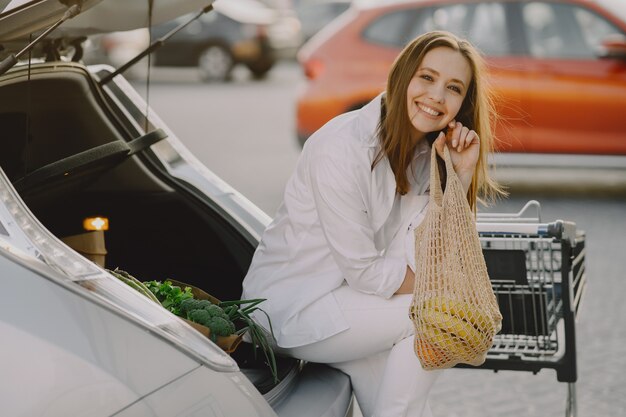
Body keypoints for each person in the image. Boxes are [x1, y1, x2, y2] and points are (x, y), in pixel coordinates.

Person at [242, 31, 503, 417]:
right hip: (290, 308)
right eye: (427, 78)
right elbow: (369, 272)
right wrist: (437, 285)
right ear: (402, 77)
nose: (436, 96)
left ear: (463, 103)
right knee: (431, 313)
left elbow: (426, 253)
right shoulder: (342, 149)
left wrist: (459, 178)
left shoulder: (425, 155)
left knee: (409, 406)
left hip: (349, 306)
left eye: (453, 88)